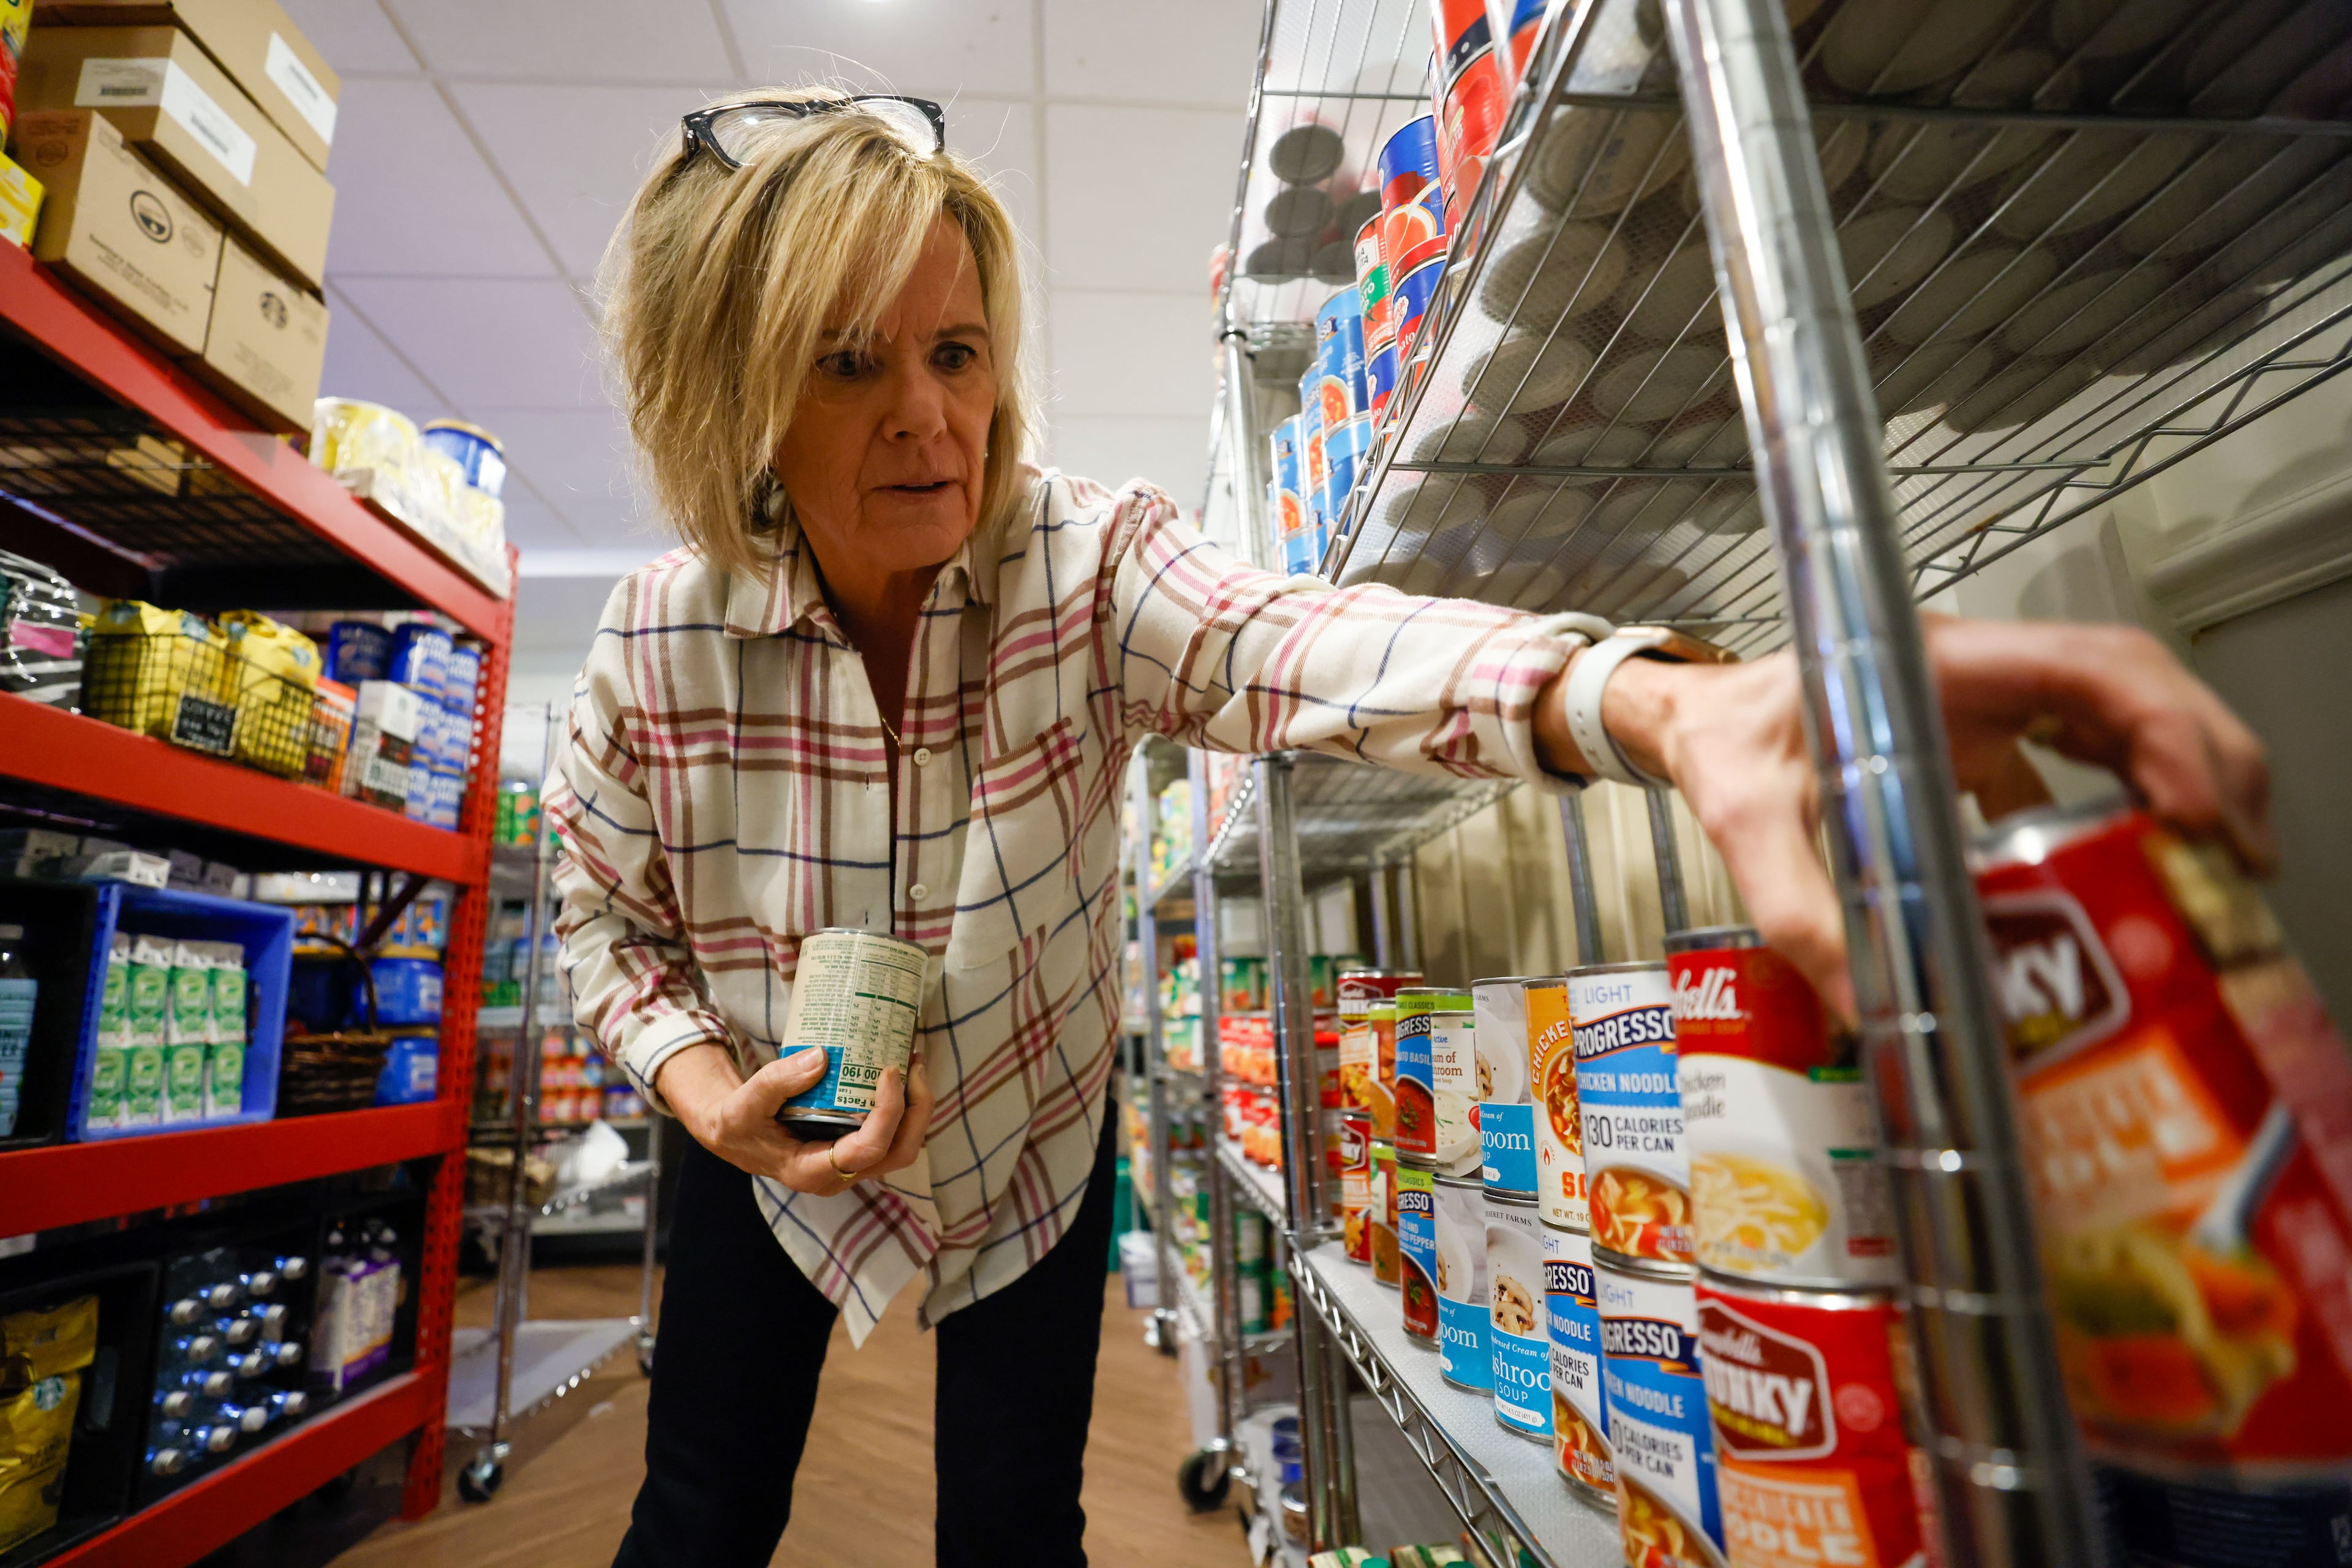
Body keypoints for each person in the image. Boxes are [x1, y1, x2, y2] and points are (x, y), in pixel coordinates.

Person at [549, 89, 2271, 1568]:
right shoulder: (650, 641)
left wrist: (1663, 703)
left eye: (956, 351)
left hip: (1028, 1134)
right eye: (851, 366)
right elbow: (601, 932)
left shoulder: (1085, 568)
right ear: (745, 398)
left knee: (1017, 1530)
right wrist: (711, 1092)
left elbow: (1300, 645)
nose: (929, 417)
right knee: (700, 1509)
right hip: (761, 1147)